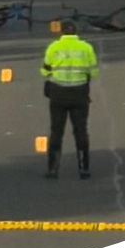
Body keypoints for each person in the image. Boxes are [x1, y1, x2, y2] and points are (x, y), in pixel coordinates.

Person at [41, 30, 99, 179]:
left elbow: (44, 71)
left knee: (56, 131)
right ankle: (84, 168)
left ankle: (53, 169)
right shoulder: (86, 48)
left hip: (58, 94)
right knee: (80, 130)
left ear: (61, 33)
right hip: (79, 94)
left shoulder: (54, 47)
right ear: (75, 33)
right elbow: (94, 72)